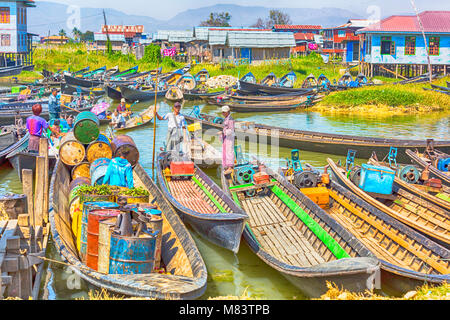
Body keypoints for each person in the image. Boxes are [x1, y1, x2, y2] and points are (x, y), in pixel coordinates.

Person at [218, 105, 235, 173]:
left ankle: (230, 166)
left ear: (228, 112)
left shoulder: (230, 119)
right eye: (222, 112)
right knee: (225, 151)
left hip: (229, 137)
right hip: (225, 137)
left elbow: (231, 130)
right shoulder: (226, 118)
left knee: (229, 151)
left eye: (224, 112)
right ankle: (227, 165)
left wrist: (222, 132)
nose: (223, 113)